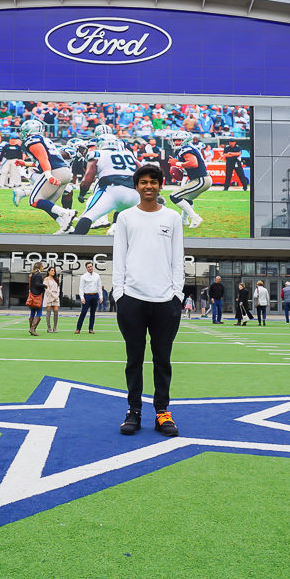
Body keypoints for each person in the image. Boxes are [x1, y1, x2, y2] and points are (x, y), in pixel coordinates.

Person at [114, 163, 184, 438]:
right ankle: (133, 411)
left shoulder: (173, 218)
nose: (148, 186)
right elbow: (119, 257)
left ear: (160, 184)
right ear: (136, 186)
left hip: (165, 301)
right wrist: (119, 293)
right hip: (131, 298)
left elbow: (177, 259)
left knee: (162, 360)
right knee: (134, 359)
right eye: (143, 182)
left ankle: (162, 412)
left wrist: (176, 295)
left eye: (153, 182)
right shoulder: (125, 217)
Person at [72, 134, 141, 236]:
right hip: (135, 193)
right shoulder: (128, 154)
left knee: (87, 217)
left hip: (112, 189)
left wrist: (82, 194)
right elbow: (144, 171)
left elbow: (87, 179)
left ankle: (73, 246)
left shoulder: (97, 153)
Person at [18, 119, 77, 234]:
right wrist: (25, 163)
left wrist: (49, 175)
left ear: (29, 130)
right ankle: (66, 227)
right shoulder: (44, 139)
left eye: (24, 131)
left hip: (55, 171)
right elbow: (44, 159)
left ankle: (66, 213)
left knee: (34, 200)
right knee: (47, 204)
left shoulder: (32, 140)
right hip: (64, 171)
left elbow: (43, 158)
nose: (22, 133)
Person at [167, 130, 210, 229]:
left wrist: (177, 163)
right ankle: (184, 220)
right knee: (187, 198)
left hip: (200, 179)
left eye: (179, 140)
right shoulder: (187, 148)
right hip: (201, 179)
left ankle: (194, 217)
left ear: (185, 140)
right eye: (175, 140)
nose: (176, 142)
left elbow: (193, 163)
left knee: (174, 196)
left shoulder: (185, 149)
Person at [75, 261, 102, 334]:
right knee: (83, 312)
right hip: (87, 296)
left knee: (92, 313)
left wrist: (101, 296)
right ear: (86, 268)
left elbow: (99, 287)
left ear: (93, 267)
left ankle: (91, 329)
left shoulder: (97, 276)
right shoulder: (83, 276)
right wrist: (82, 298)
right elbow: (81, 288)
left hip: (95, 295)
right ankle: (78, 329)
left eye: (91, 266)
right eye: (88, 267)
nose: (90, 268)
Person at [27, 261, 46, 336]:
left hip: (32, 296)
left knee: (32, 312)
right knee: (39, 313)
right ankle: (33, 329)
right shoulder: (38, 275)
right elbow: (37, 284)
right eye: (42, 266)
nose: (43, 267)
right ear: (40, 267)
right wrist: (44, 286)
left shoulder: (32, 274)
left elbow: (32, 285)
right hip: (37, 296)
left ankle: (31, 329)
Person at [43, 266, 61, 333]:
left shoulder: (56, 279)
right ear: (48, 271)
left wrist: (57, 296)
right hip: (49, 297)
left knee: (56, 312)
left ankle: (55, 328)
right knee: (48, 312)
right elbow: (46, 289)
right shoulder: (46, 279)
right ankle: (49, 328)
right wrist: (53, 296)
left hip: (56, 297)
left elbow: (58, 288)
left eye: (54, 270)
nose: (53, 272)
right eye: (52, 270)